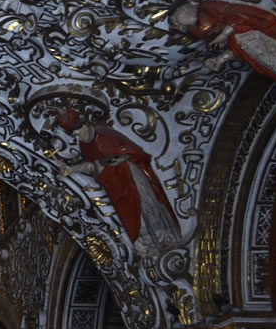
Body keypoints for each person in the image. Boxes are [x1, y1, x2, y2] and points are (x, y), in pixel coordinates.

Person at [56, 108, 182, 256]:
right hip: (116, 187)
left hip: (131, 178)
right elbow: (94, 166)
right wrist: (71, 169)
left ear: (84, 126)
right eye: (74, 136)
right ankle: (148, 246)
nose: (78, 138)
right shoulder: (85, 147)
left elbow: (134, 152)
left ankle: (165, 239)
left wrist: (123, 158)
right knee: (131, 217)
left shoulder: (106, 135)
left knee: (146, 207)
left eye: (77, 133)